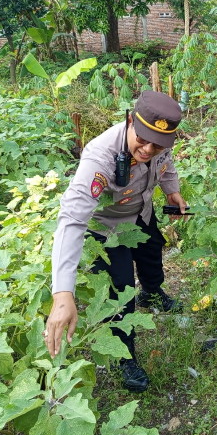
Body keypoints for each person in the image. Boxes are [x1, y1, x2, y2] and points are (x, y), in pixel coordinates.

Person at [43, 91, 188, 392]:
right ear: (131, 121)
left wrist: (172, 190)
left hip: (141, 211)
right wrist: (62, 293)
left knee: (152, 253)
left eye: (157, 144)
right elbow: (71, 220)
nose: (148, 149)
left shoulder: (159, 144)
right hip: (107, 228)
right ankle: (125, 355)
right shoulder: (100, 156)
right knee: (120, 292)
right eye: (143, 140)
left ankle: (152, 293)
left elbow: (166, 161)